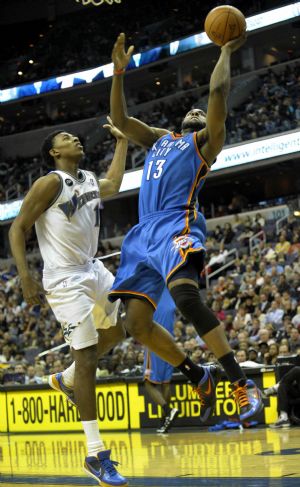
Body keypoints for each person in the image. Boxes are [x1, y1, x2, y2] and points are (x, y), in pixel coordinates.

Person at [108, 32, 263, 422]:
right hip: (142, 234)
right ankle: (197, 374)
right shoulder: (161, 140)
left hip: (178, 221)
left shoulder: (206, 142)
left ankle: (240, 381)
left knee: (186, 298)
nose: (197, 111)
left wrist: (225, 52)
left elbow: (216, 95)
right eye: (191, 110)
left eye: (201, 111)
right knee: (136, 325)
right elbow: (123, 120)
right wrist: (118, 73)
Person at [9, 118, 129, 486]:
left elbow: (115, 183)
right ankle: (96, 454)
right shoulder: (50, 182)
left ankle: (66, 379)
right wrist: (26, 276)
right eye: (65, 137)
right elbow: (17, 228)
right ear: (54, 152)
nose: (74, 138)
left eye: (73, 135)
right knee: (88, 355)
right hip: (63, 279)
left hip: (92, 269)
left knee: (122, 329)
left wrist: (122, 143)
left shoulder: (89, 178)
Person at [143, 287, 179, 434]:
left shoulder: (150, 290)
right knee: (165, 384)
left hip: (154, 340)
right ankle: (165, 420)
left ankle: (168, 410)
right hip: (170, 342)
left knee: (148, 382)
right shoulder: (171, 291)